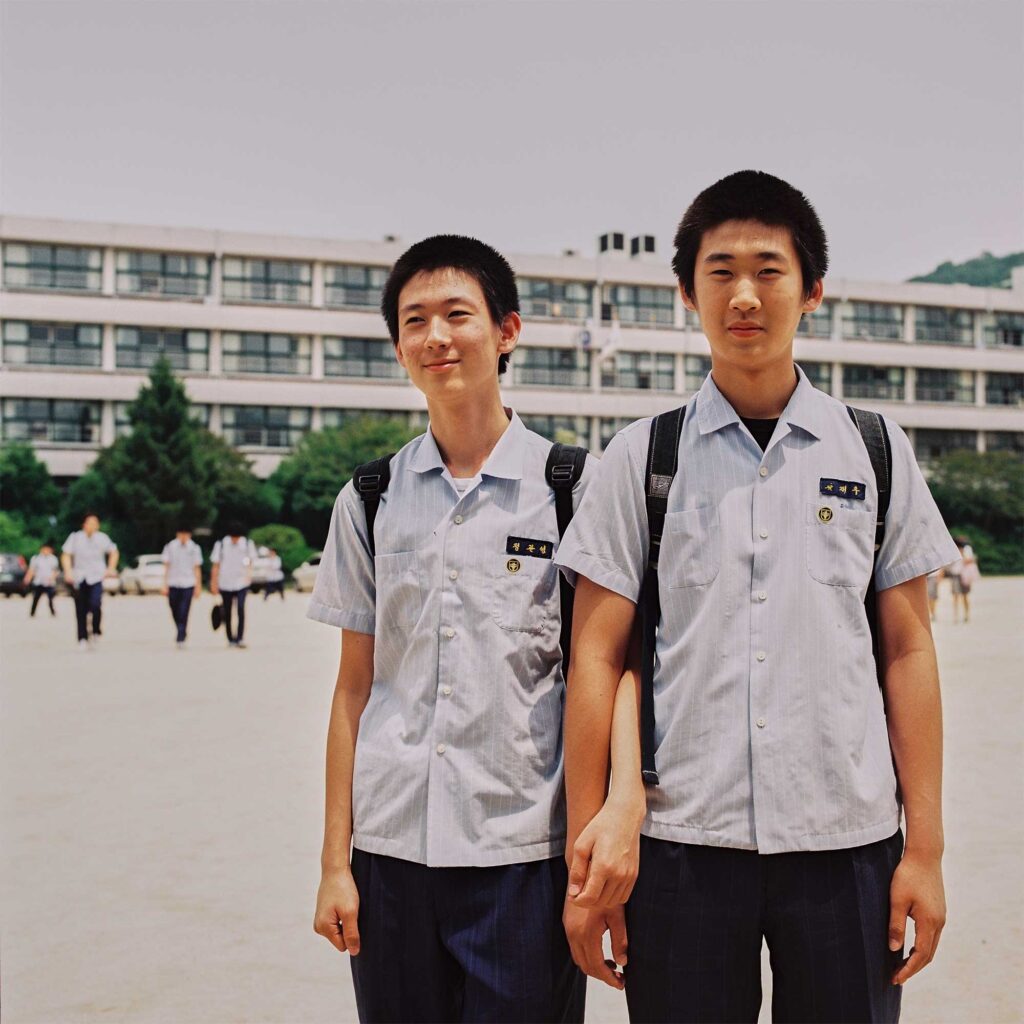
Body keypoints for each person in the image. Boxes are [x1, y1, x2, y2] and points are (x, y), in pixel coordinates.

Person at [554, 170, 959, 1023]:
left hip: (846, 844)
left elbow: (909, 650)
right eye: (720, 270)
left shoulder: (875, 452)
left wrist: (924, 849)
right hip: (680, 850)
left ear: (811, 290)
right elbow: (596, 657)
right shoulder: (641, 458)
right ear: (686, 291)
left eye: (769, 270)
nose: (744, 295)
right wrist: (587, 857)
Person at [310, 235, 592, 1023]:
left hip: (523, 859)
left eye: (456, 314)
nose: (435, 336)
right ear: (398, 344)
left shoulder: (573, 490)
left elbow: (604, 681)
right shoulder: (369, 498)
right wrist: (338, 863)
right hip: (392, 857)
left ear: (507, 331)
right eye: (414, 320)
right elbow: (355, 688)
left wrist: (598, 849)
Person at [61, 512, 118, 649]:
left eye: (95, 523)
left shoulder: (103, 538)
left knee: (95, 604)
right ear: (84, 524)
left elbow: (114, 552)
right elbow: (66, 555)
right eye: (90, 523)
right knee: (80, 609)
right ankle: (82, 637)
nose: (93, 526)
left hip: (96, 577)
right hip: (79, 577)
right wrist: (68, 571)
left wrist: (111, 568)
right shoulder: (75, 538)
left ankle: (96, 629)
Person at [210, 524, 256, 649]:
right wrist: (213, 582)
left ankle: (240, 637)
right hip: (225, 582)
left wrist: (249, 576)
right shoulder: (221, 544)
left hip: (241, 582)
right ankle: (230, 638)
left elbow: (251, 561)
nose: (235, 540)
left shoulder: (247, 543)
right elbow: (216, 565)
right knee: (228, 611)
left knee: (241, 608)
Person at [161, 527, 203, 646]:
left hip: (188, 583)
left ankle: (181, 634)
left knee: (184, 610)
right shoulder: (170, 547)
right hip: (173, 582)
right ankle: (181, 628)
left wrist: (198, 586)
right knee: (174, 608)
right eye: (181, 534)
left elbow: (197, 568)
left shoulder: (194, 548)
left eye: (186, 534)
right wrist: (164, 584)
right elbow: (166, 566)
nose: (183, 537)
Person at [948, 535, 978, 623]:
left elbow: (970, 560)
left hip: (964, 574)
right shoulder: (951, 549)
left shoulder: (967, 549)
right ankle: (955, 616)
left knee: (965, 595)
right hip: (955, 574)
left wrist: (962, 554)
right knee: (955, 596)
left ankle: (966, 615)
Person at [25, 541, 59, 617]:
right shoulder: (36, 558)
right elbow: (32, 570)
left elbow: (55, 570)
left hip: (49, 582)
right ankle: (32, 613)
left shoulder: (53, 559)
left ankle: (53, 612)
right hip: (38, 581)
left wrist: (52, 578)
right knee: (36, 598)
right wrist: (28, 578)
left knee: (50, 599)